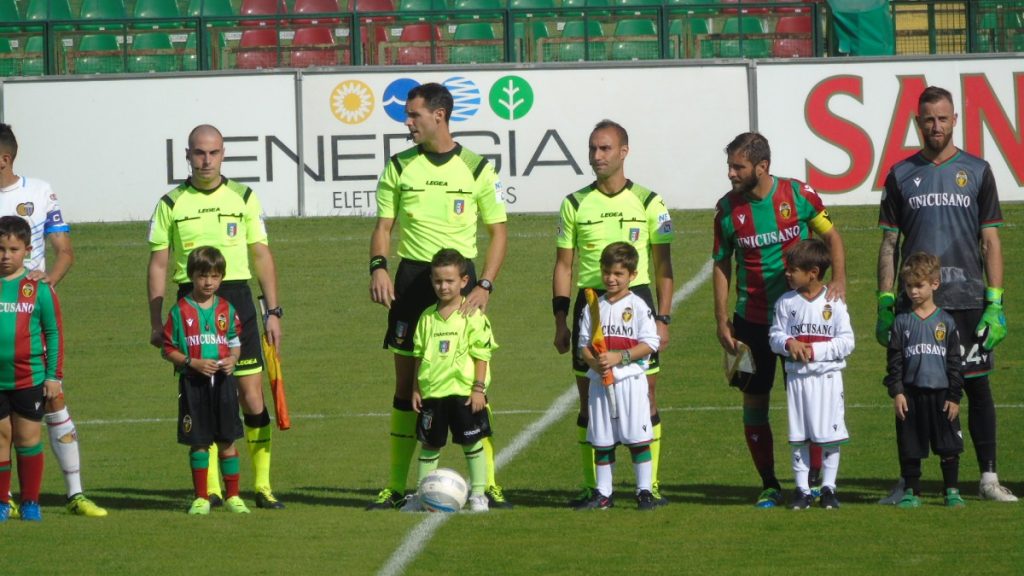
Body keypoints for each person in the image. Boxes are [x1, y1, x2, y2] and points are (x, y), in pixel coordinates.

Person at [368, 83, 508, 510]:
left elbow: (498, 231)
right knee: (408, 384)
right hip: (412, 281)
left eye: (414, 116)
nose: (407, 123)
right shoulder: (399, 166)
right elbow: (384, 226)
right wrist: (378, 266)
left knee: (470, 382)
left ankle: (489, 485)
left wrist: (484, 283)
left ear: (439, 116)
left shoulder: (476, 168)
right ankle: (396, 486)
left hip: (460, 282)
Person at [876, 85, 1016, 503]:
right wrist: (886, 303)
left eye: (942, 118)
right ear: (918, 123)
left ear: (955, 120)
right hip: (916, 306)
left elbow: (990, 240)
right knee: (914, 392)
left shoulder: (977, 170)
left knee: (977, 388)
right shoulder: (900, 174)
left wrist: (995, 302)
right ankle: (909, 480)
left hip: (969, 301)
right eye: (927, 120)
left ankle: (988, 478)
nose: (935, 126)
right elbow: (888, 245)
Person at [148, 124, 284, 510]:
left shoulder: (243, 197)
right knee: (200, 397)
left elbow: (261, 254)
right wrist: (157, 321)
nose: (206, 160)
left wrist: (273, 311)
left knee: (251, 396)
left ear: (223, 154)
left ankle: (262, 485)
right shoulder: (171, 203)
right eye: (198, 153)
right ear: (187, 156)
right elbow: (158, 264)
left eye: (213, 153)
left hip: (237, 297)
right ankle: (209, 490)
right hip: (190, 303)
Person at [712, 131, 847, 508]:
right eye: (729, 166)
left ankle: (816, 482)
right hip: (750, 320)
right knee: (754, 402)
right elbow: (722, 264)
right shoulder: (727, 210)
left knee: (810, 401)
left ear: (762, 166)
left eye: (738, 167)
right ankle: (770, 483)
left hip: (800, 323)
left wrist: (838, 280)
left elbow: (832, 237)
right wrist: (722, 318)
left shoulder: (799, 195)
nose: (731, 174)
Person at [552, 120, 674, 508]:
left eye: (604, 149)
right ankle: (594, 489)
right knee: (588, 398)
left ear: (624, 151)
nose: (596, 156)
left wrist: (664, 318)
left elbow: (663, 265)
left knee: (647, 396)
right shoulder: (574, 203)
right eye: (592, 149)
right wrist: (560, 319)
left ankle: (648, 487)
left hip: (637, 301)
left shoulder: (650, 202)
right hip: (590, 304)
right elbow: (563, 266)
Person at [0, 123, 106, 518]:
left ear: (5, 159)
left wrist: (43, 285)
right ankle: (5, 497)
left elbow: (64, 251)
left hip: (29, 317)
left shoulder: (40, 192)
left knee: (54, 399)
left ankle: (74, 493)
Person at [401, 249, 498, 513]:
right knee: (429, 444)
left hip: (464, 392)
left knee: (471, 442)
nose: (443, 287)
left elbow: (482, 354)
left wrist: (478, 389)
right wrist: (415, 388)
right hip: (433, 393)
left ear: (464, 281)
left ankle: (478, 494)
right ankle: (422, 495)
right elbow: (419, 356)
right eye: (438, 281)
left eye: (449, 281)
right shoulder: (426, 318)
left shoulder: (473, 316)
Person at [162, 247, 250, 516]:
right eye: (202, 276)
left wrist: (233, 359)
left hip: (223, 382)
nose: (208, 282)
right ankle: (201, 497)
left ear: (221, 278)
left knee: (228, 440)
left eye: (214, 276)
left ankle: (233, 496)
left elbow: (235, 343)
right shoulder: (179, 312)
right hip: (193, 383)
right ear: (191, 276)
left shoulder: (226, 309)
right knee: (199, 441)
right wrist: (192, 363)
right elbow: (168, 349)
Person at [768, 239, 854, 510]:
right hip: (797, 379)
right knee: (799, 435)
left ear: (813, 272)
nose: (787, 273)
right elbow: (774, 336)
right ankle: (802, 490)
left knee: (830, 435)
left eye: (793, 269)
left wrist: (815, 351)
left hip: (827, 378)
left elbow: (847, 342)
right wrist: (788, 343)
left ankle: (828, 488)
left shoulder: (834, 302)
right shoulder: (786, 302)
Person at [575, 242, 660, 511]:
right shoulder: (593, 306)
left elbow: (650, 343)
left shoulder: (638, 306)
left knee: (637, 439)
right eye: (606, 272)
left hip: (630, 382)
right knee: (602, 441)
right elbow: (583, 345)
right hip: (600, 383)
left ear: (632, 275)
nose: (610, 278)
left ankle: (644, 491)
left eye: (618, 274)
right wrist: (594, 362)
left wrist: (619, 358)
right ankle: (603, 494)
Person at [883, 252, 966, 509]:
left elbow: (954, 363)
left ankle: (951, 489)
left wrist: (954, 396)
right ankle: (911, 490)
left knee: (948, 444)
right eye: (908, 286)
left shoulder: (946, 322)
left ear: (934, 284)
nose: (913, 292)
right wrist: (897, 391)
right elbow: (894, 362)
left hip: (941, 394)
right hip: (910, 394)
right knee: (909, 444)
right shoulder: (901, 322)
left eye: (919, 286)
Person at [0, 215, 63, 522]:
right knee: (0, 438)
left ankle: (30, 502)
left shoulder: (37, 286)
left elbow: (54, 333)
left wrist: (53, 376)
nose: (5, 256)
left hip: (29, 377)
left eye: (13, 249)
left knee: (27, 438)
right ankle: (2, 501)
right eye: (0, 249)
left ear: (27, 249)